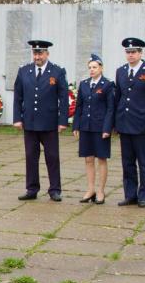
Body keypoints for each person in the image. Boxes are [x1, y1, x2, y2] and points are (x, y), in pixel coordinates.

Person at [13, 40, 69, 201]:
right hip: (29, 121)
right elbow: (18, 96)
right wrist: (17, 118)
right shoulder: (24, 71)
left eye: (40, 53)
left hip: (49, 122)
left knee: (52, 156)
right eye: (35, 53)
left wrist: (62, 121)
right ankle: (32, 189)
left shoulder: (57, 72)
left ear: (47, 54)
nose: (37, 56)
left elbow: (63, 98)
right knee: (31, 156)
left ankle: (55, 189)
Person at [114, 37, 145, 208]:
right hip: (124, 123)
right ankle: (130, 194)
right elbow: (117, 97)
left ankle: (143, 196)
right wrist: (115, 123)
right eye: (128, 52)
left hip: (141, 125)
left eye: (134, 52)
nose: (131, 55)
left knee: (143, 163)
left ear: (141, 53)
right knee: (127, 162)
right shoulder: (121, 71)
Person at [72, 54, 115, 204]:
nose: (92, 70)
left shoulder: (108, 85)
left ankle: (101, 191)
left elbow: (110, 108)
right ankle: (90, 189)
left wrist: (107, 128)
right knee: (88, 159)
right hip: (86, 126)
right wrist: (76, 125)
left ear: (101, 68)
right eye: (90, 67)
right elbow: (79, 107)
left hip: (100, 127)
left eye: (94, 67)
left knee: (101, 159)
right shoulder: (84, 84)